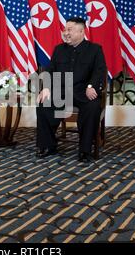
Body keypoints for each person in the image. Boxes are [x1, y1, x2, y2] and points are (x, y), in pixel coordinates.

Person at [36, 17, 107, 162]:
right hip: (62, 92)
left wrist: (91, 86)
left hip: (83, 92)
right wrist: (46, 88)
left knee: (92, 107)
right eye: (65, 29)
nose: (66, 33)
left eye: (70, 30)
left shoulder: (95, 49)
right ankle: (48, 146)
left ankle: (85, 150)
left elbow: (99, 71)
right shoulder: (59, 49)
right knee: (44, 104)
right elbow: (50, 71)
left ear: (81, 31)